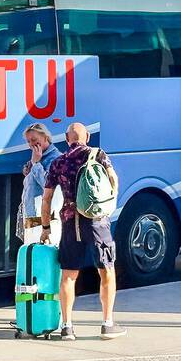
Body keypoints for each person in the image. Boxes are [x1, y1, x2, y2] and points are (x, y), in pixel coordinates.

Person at [40, 122, 124, 341]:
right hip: (97, 222)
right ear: (87, 136)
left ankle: (67, 328)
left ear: (67, 139)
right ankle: (107, 324)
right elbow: (114, 179)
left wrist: (46, 227)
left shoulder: (58, 163)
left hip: (70, 222)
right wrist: (108, 203)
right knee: (106, 271)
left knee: (68, 275)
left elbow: (47, 198)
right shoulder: (98, 155)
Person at [19, 122, 62, 243]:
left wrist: (36, 164)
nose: (31, 144)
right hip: (32, 215)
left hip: (44, 218)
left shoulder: (56, 158)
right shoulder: (37, 157)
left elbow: (48, 184)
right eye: (28, 141)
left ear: (45, 137)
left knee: (41, 253)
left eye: (34, 140)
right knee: (32, 253)